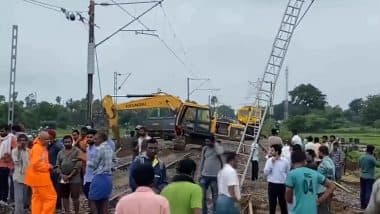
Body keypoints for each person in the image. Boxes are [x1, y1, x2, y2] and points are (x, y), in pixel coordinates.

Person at [24, 131, 57, 214]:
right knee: (51, 198)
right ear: (40, 139)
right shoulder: (37, 148)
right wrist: (48, 166)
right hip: (41, 179)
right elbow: (36, 164)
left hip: (35, 179)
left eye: (49, 139)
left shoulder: (39, 146)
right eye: (46, 139)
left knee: (37, 199)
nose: (48, 141)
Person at [88, 131, 114, 214]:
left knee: (92, 199)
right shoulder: (109, 147)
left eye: (96, 139)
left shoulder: (99, 149)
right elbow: (115, 160)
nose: (94, 141)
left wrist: (85, 160)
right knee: (105, 200)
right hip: (108, 177)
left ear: (102, 139)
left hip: (100, 177)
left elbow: (93, 165)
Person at [55, 135, 82, 214]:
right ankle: (67, 212)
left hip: (75, 177)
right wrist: (61, 175)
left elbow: (78, 164)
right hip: (63, 177)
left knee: (75, 197)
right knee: (65, 196)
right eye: (65, 142)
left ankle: (76, 212)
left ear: (72, 142)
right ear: (63, 143)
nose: (67, 143)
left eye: (69, 142)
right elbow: (57, 165)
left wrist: (70, 175)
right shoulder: (60, 152)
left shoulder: (77, 151)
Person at [199, 137, 223, 214]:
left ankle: (215, 212)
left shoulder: (217, 149)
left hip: (214, 177)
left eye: (208, 141)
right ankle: (204, 211)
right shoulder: (205, 149)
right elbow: (202, 160)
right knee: (202, 196)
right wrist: (200, 173)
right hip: (204, 175)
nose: (206, 143)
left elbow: (222, 160)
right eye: (205, 141)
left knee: (215, 196)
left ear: (213, 141)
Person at [264, 144, 290, 214]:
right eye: (270, 150)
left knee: (283, 205)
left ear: (277, 151)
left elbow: (288, 173)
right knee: (272, 205)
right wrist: (272, 163)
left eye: (272, 150)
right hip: (272, 185)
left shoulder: (285, 161)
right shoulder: (269, 161)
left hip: (282, 185)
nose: (270, 152)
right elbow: (265, 173)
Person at [11, 134, 30, 214]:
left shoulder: (29, 151)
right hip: (18, 178)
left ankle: (23, 211)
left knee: (25, 199)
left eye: (24, 140)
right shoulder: (14, 151)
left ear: (26, 141)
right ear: (18, 142)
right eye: (20, 140)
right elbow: (17, 161)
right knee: (19, 199)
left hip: (28, 178)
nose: (22, 142)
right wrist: (19, 150)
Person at [46, 128, 63, 210]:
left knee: (57, 188)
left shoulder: (58, 145)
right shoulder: (49, 145)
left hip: (56, 170)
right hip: (49, 170)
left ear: (51, 136)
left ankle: (57, 205)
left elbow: (63, 155)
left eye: (47, 135)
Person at [0, 124, 17, 203]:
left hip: (6, 164)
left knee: (3, 182)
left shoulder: (12, 138)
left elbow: (15, 150)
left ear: (7, 131)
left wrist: (9, 156)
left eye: (3, 131)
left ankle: (4, 198)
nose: (1, 132)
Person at [317, 146, 335, 214]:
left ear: (321, 152)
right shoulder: (329, 160)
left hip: (323, 187)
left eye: (319, 152)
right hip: (327, 186)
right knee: (326, 206)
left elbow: (329, 169)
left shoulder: (325, 161)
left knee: (323, 207)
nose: (318, 153)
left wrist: (328, 178)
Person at [359, 145, 378, 209]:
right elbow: (377, 164)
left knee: (362, 191)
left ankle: (362, 205)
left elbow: (359, 165)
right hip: (370, 177)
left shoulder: (361, 157)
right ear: (372, 150)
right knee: (368, 191)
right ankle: (367, 205)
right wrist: (376, 157)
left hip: (362, 176)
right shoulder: (372, 158)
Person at [81, 129, 98, 199]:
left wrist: (84, 159)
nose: (88, 139)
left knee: (93, 198)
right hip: (88, 177)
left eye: (91, 137)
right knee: (88, 194)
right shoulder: (88, 148)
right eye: (87, 137)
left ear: (95, 138)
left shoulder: (97, 148)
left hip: (95, 177)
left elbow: (96, 164)